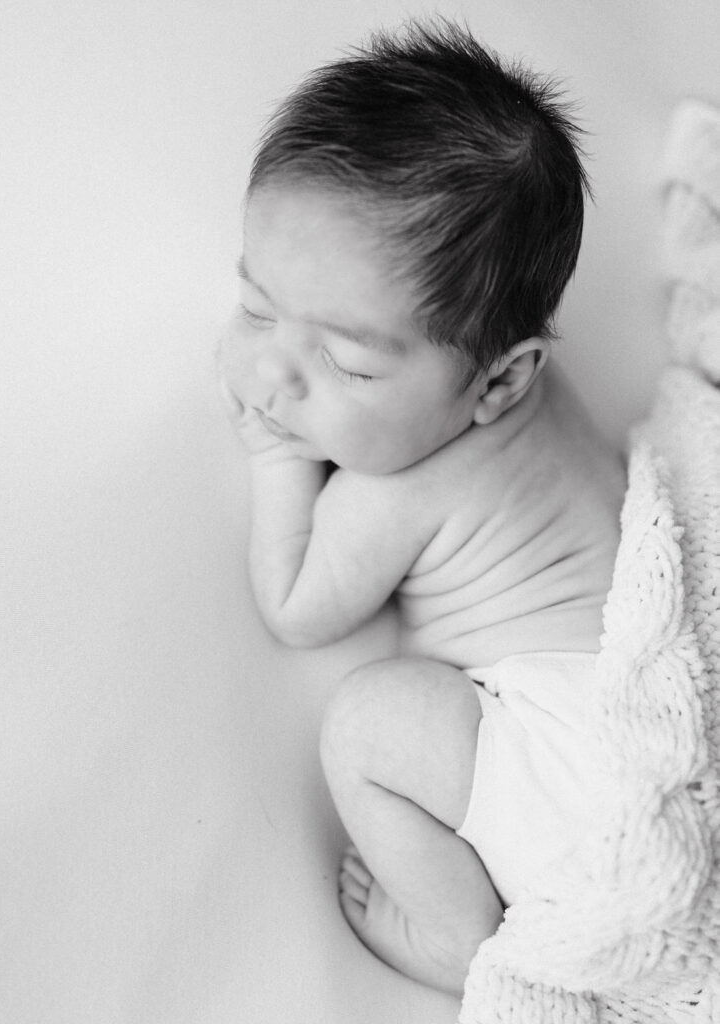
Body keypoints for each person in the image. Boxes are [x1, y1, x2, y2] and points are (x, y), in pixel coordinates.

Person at [217, 19, 626, 996]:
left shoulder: (397, 479)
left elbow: (297, 607)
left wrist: (276, 460)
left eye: (347, 363)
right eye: (257, 309)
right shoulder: (509, 386)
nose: (272, 375)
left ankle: (453, 936)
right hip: (612, 716)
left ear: (500, 379)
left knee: (369, 724)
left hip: (580, 781)